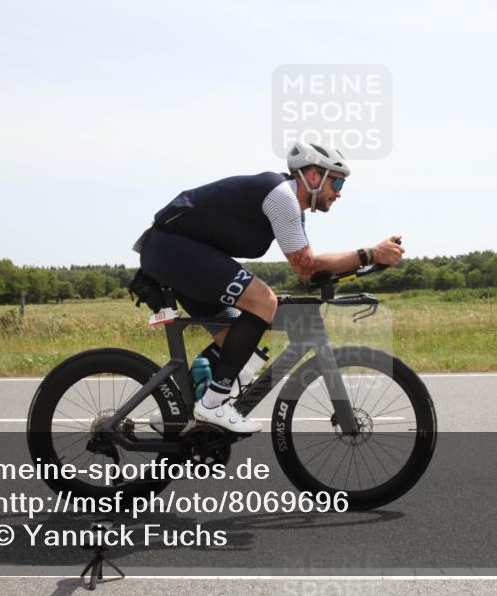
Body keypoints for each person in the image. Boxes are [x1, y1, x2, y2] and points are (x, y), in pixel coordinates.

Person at [135, 141, 405, 433]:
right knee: (263, 301)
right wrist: (369, 254)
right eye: (337, 181)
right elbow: (308, 265)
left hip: (177, 252)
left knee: (238, 347)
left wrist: (365, 265)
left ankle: (180, 413)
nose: (339, 191)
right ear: (313, 176)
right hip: (171, 249)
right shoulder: (282, 197)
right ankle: (212, 405)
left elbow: (308, 273)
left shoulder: (290, 208)